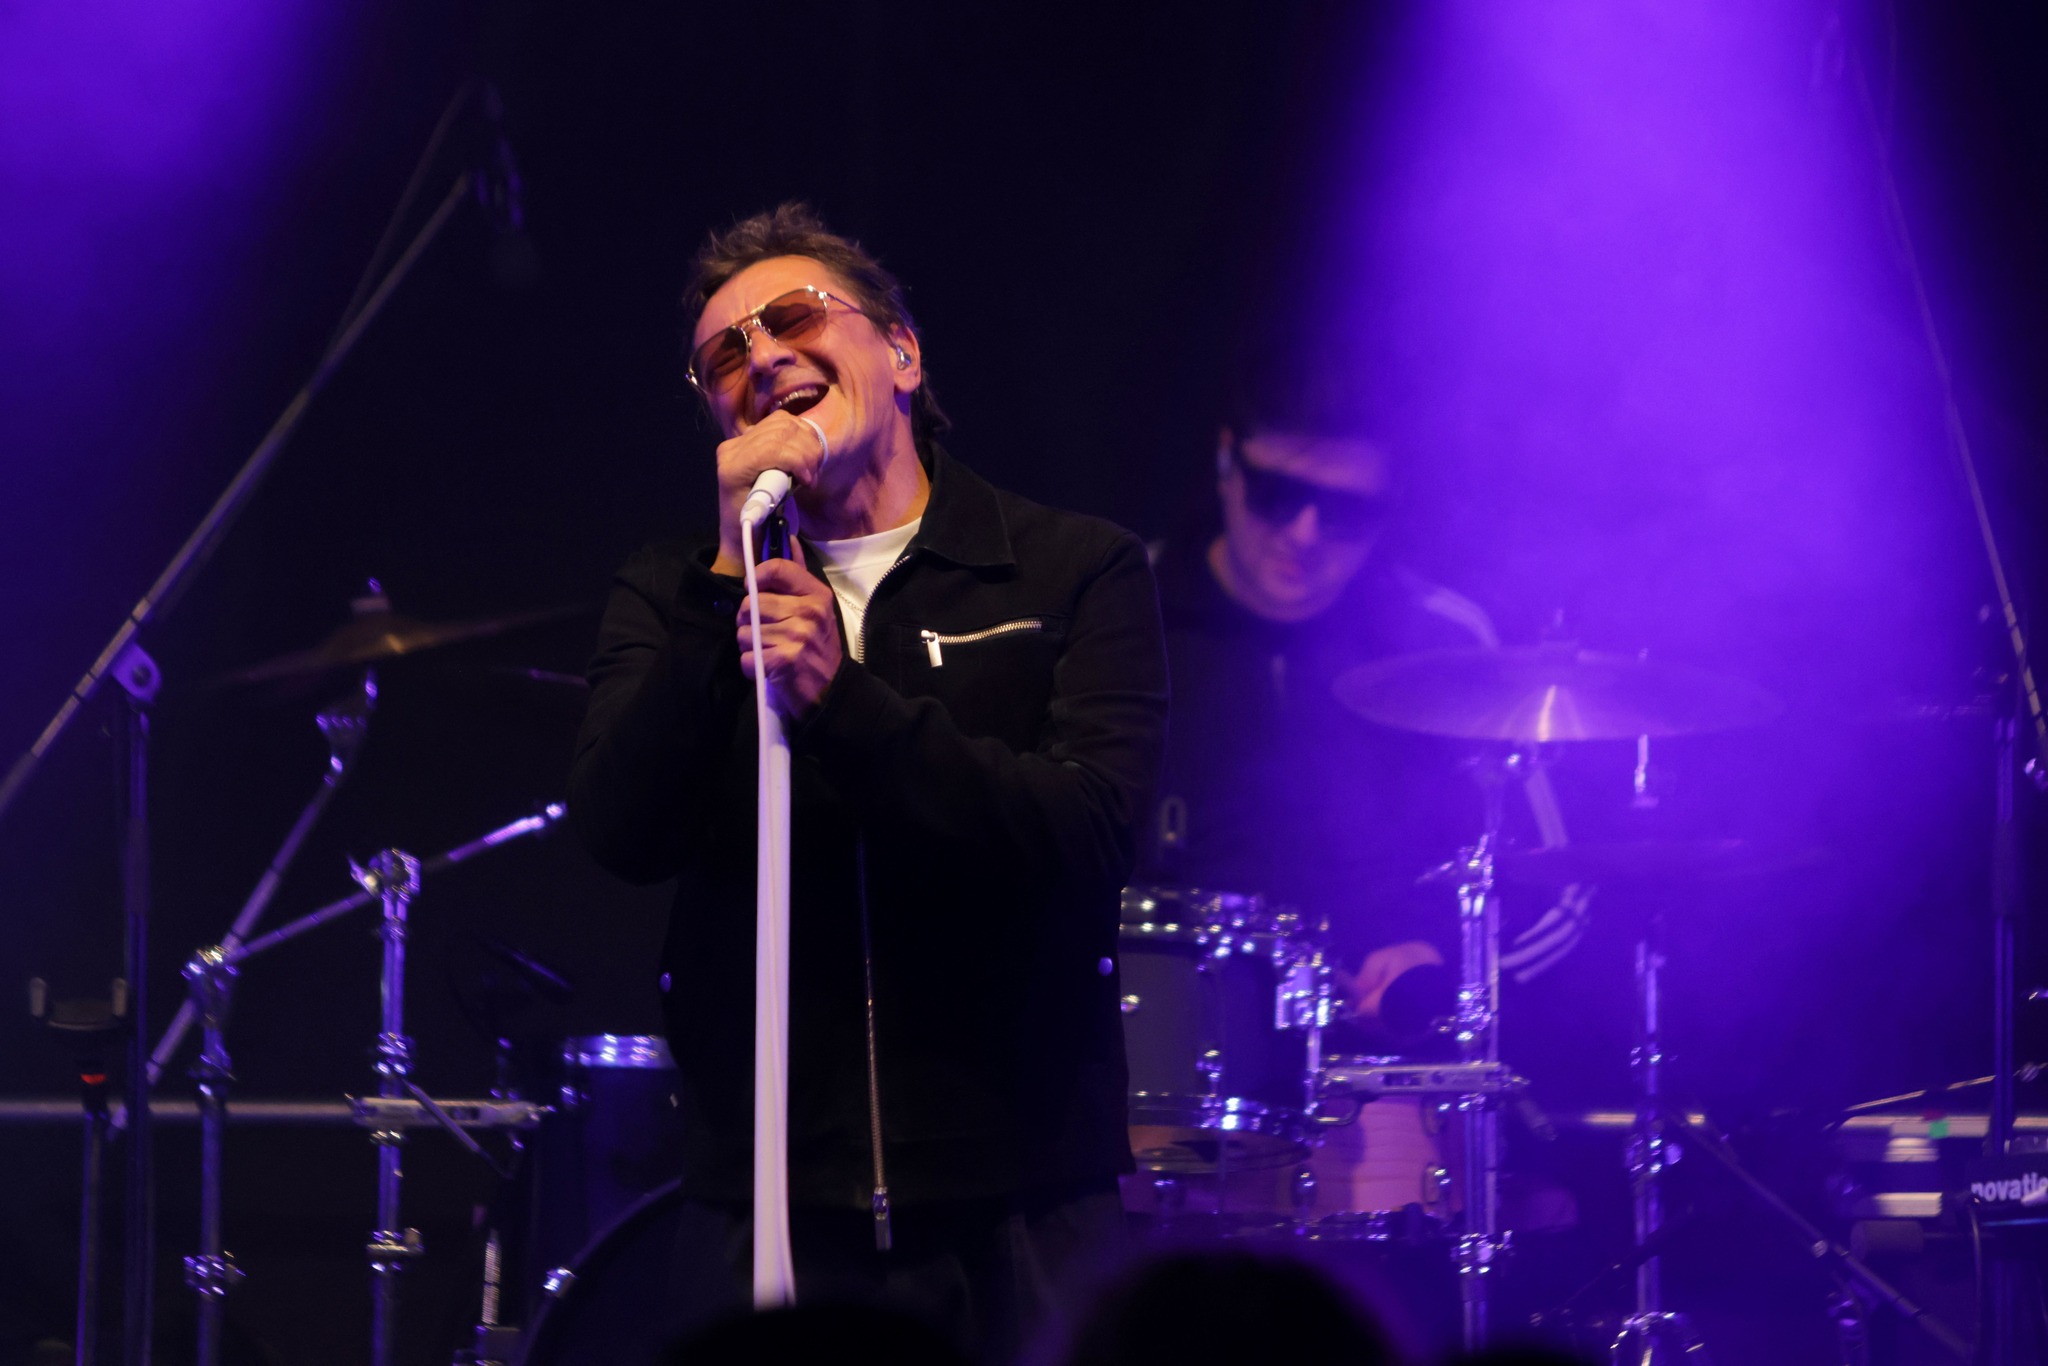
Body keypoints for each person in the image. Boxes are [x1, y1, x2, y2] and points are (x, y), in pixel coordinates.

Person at [569, 203, 1169, 1361]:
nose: (760, 357)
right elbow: (620, 830)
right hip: (767, 1202)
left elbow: (1090, 829)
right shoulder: (672, 589)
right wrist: (719, 586)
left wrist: (840, 703)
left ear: (901, 353)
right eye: (722, 355)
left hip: (1024, 1201)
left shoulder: (1064, 568)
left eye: (793, 317)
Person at [1141, 372, 1587, 1050]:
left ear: (1389, 510)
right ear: (1227, 461)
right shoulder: (1120, 612)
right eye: (1277, 493)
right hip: (1155, 1062)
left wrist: (1437, 968)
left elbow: (1553, 882)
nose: (1304, 534)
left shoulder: (1444, 641)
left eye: (1345, 512)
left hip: (1385, 1075)